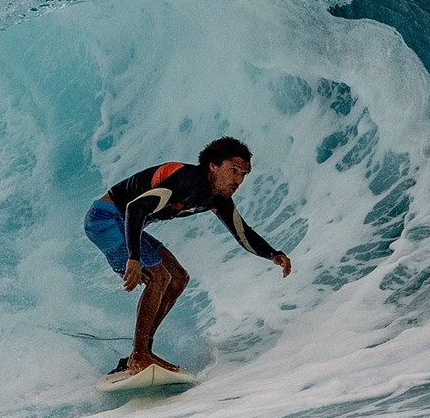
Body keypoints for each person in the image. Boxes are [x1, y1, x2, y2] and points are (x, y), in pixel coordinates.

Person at [84, 137, 292, 376]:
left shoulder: (217, 198)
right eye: (233, 170)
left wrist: (274, 255)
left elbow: (242, 232)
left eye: (243, 174)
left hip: (124, 224)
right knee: (159, 276)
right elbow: (135, 207)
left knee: (179, 277)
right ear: (213, 166)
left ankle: (140, 354)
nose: (238, 180)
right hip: (105, 219)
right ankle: (139, 356)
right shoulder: (186, 181)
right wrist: (134, 257)